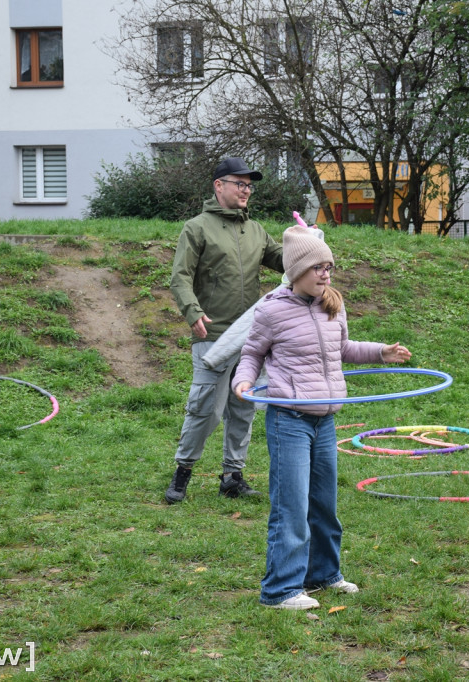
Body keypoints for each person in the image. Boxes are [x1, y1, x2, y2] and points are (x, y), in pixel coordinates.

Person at [232, 226, 412, 609]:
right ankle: (280, 590)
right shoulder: (270, 309)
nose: (325, 274)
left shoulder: (333, 302)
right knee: (291, 507)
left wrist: (382, 352)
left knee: (324, 504)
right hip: (289, 420)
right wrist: (245, 380)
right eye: (318, 267)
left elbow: (344, 347)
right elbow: (251, 354)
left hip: (325, 420)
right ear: (296, 270)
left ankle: (324, 575)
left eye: (328, 266)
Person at [166, 157, 285, 504]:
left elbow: (283, 261)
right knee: (206, 409)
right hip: (212, 334)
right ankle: (182, 474)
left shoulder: (257, 230)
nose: (247, 190)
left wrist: (305, 241)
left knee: (244, 407)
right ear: (219, 186)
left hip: (252, 336)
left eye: (250, 186)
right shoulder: (197, 227)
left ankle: (233, 476)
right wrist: (193, 312)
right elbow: (180, 277)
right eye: (240, 184)